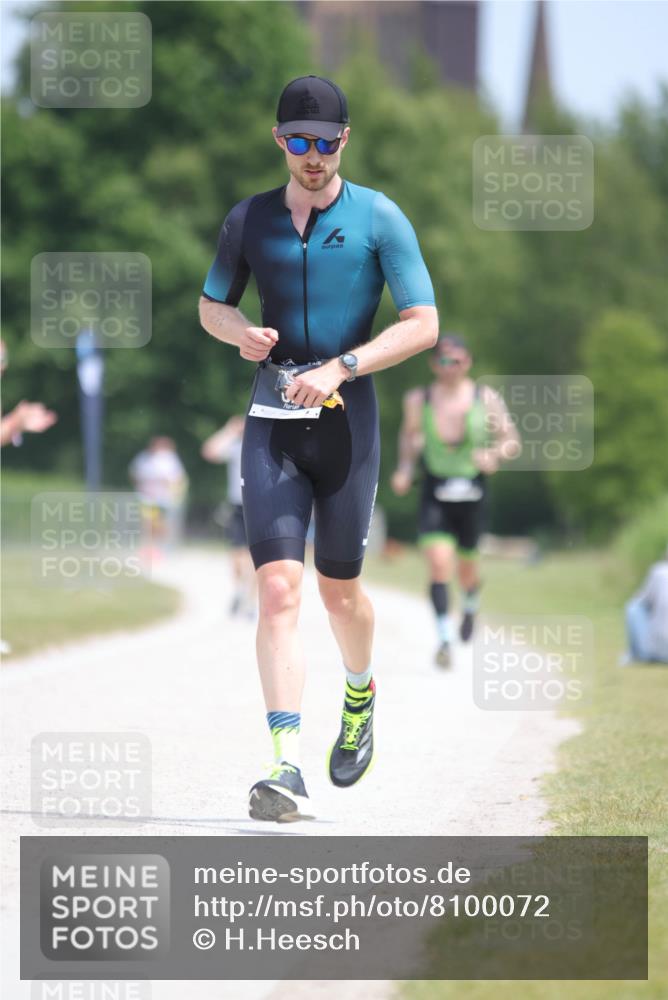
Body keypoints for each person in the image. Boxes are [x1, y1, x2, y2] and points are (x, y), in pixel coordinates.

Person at [199, 75, 438, 821]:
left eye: (324, 143)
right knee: (277, 589)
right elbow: (212, 306)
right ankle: (284, 764)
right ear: (279, 141)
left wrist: (345, 363)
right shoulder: (250, 220)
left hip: (347, 421)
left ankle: (360, 694)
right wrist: (241, 334)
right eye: (298, 142)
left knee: (339, 592)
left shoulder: (380, 218)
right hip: (273, 418)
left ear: (345, 141)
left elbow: (424, 322)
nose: (311, 156)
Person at [391, 334, 520, 667]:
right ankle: (445, 639)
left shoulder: (485, 397)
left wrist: (494, 454)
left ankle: (471, 604)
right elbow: (409, 436)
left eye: (458, 361)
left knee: (466, 569)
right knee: (438, 564)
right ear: (434, 364)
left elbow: (511, 439)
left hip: (473, 491)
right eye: (444, 361)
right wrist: (405, 468)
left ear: (469, 363)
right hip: (435, 490)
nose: (451, 368)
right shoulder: (418, 399)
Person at [201, 415, 256, 617]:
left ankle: (251, 600)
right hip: (237, 506)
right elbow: (210, 451)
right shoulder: (236, 447)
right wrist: (229, 431)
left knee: (255, 557)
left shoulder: (260, 446)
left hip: (259, 506)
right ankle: (239, 591)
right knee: (236, 555)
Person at [129, 436, 189, 557]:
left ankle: (159, 547)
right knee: (148, 523)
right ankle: (149, 548)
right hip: (148, 498)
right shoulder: (144, 458)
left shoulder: (170, 459)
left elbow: (177, 479)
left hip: (164, 499)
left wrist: (174, 491)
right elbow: (135, 474)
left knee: (161, 525)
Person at [623, 547, 668, 664]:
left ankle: (632, 655)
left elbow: (642, 600)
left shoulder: (659, 572)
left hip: (659, 651)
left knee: (633, 607)